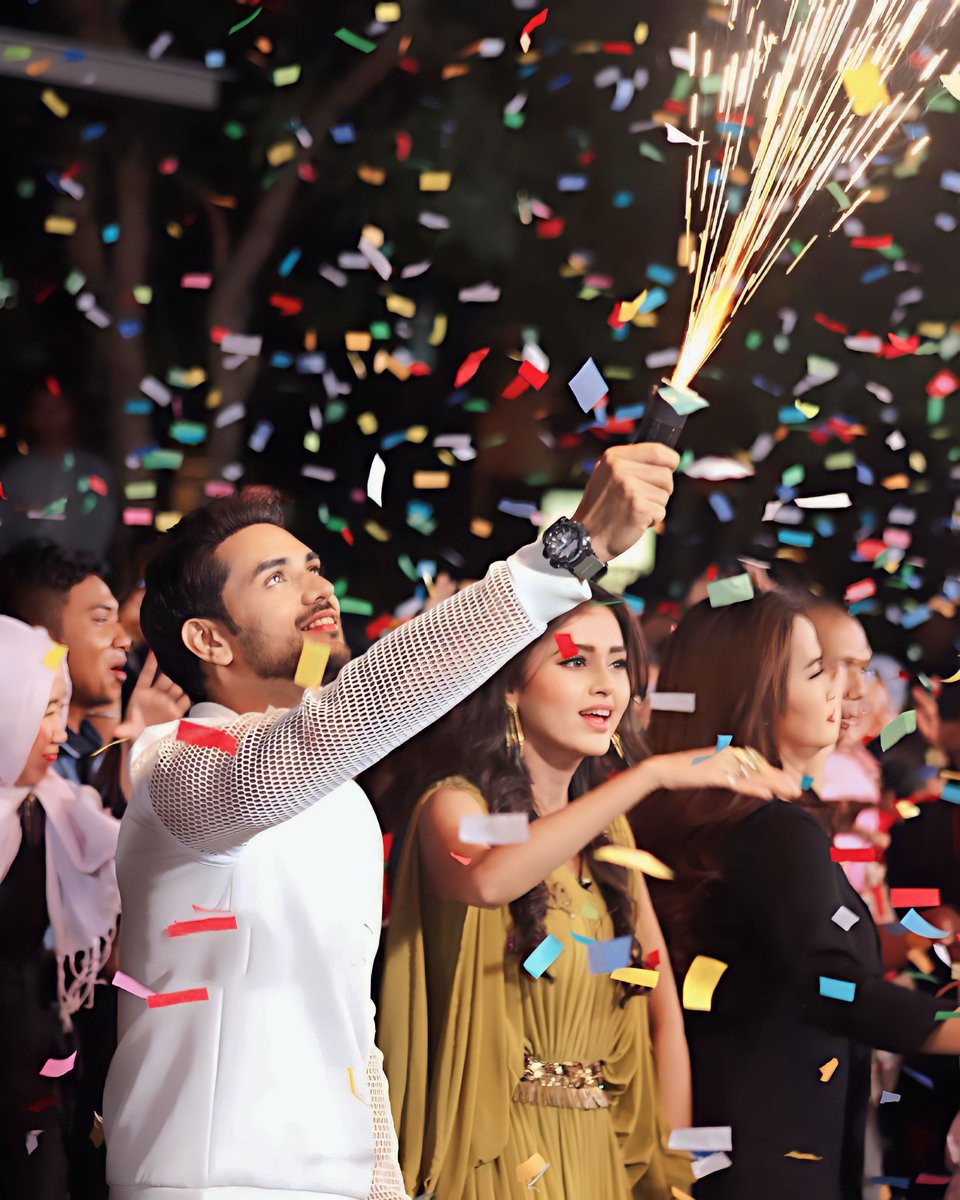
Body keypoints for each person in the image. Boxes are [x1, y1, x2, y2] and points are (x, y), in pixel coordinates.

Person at [101, 446, 679, 1200]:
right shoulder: (174, 768)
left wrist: (383, 1183)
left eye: (311, 565)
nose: (316, 586)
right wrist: (566, 557)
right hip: (208, 1182)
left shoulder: (340, 797)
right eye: (275, 578)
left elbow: (351, 1022)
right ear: (209, 640)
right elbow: (337, 724)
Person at [376, 587, 799, 1200]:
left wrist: (674, 1176)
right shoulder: (456, 804)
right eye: (576, 661)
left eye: (619, 662)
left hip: (601, 1155)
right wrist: (648, 775)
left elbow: (658, 1002)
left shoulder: (608, 833)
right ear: (510, 686)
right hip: (497, 1156)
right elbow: (489, 879)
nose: (606, 684)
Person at [630, 590, 960, 1200]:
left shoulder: (716, 818)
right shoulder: (770, 827)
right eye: (817, 671)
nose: (844, 690)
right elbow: (833, 987)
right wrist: (949, 1023)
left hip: (719, 1146)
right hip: (769, 1157)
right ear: (753, 693)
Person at [0, 617, 121, 1199]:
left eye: (59, 707)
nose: (55, 730)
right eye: (38, 708)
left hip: (32, 1067)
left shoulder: (60, 809)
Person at [0, 378, 117, 559]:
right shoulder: (14, 476)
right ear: (30, 416)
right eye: (42, 411)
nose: (50, 418)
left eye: (57, 409)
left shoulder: (94, 471)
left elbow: (100, 527)